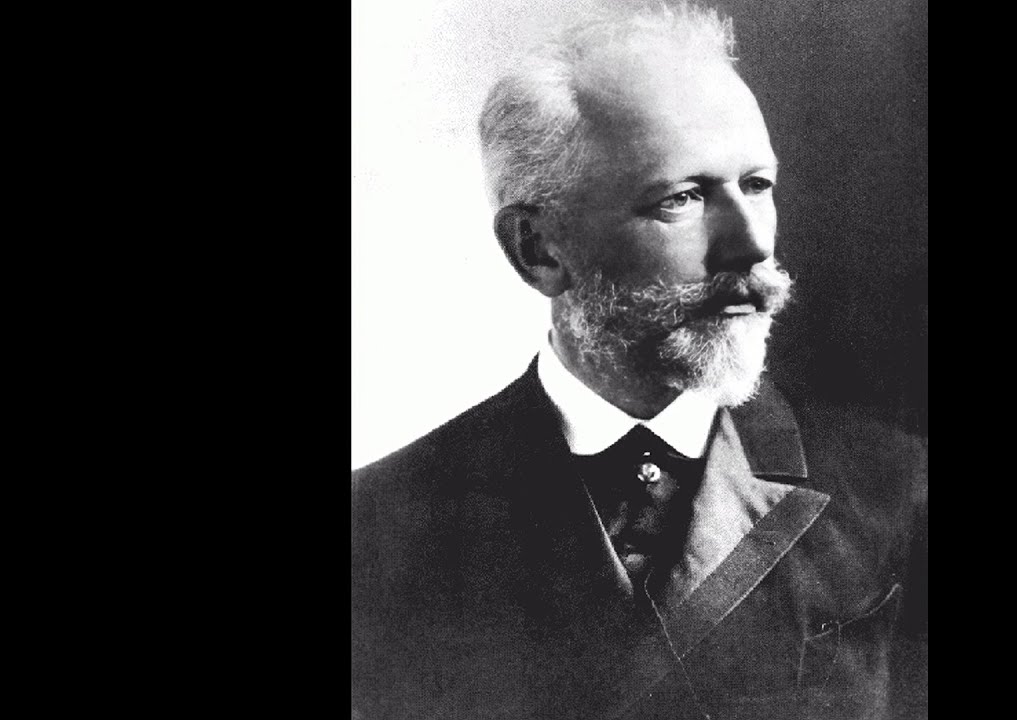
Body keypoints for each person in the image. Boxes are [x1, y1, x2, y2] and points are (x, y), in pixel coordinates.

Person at [351, 4, 927, 719]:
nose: (751, 245)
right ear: (538, 248)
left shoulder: (896, 494)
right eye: (681, 199)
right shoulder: (378, 528)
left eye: (757, 185)